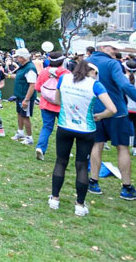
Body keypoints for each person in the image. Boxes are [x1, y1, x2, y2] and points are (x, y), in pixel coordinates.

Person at [87, 41, 136, 201]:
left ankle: (93, 182)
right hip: (116, 112)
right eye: (113, 48)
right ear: (103, 48)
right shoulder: (113, 64)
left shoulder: (87, 61)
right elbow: (126, 86)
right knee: (122, 148)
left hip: (94, 111)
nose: (116, 51)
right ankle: (126, 188)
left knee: (96, 145)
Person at [47, 60, 117, 216]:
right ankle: (79, 205)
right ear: (91, 72)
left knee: (61, 161)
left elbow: (57, 100)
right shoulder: (94, 85)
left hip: (65, 126)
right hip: (86, 129)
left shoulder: (64, 79)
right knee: (82, 166)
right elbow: (112, 109)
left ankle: (54, 199)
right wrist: (100, 116)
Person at [34, 51, 70, 158]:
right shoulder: (66, 73)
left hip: (46, 104)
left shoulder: (44, 72)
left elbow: (37, 88)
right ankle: (64, 150)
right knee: (64, 128)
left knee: (46, 127)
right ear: (62, 61)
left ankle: (40, 147)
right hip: (62, 105)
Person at [12, 48, 38, 146]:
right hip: (19, 95)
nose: (17, 59)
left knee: (25, 116)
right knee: (19, 114)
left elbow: (32, 85)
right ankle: (20, 132)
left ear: (23, 57)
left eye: (18, 57)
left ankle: (29, 137)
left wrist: (26, 99)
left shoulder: (30, 68)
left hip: (25, 97)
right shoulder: (23, 66)